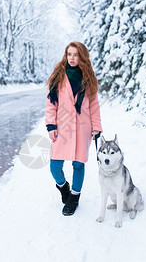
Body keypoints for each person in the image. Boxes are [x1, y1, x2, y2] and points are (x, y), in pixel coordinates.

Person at [45, 41, 102, 216]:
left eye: (75, 54)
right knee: (55, 166)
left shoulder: (88, 79)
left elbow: (94, 106)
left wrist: (97, 127)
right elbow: (50, 104)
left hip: (83, 129)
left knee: (78, 165)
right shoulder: (57, 77)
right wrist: (51, 125)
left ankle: (74, 198)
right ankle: (64, 188)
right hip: (63, 128)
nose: (72, 58)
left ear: (82, 57)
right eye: (69, 54)